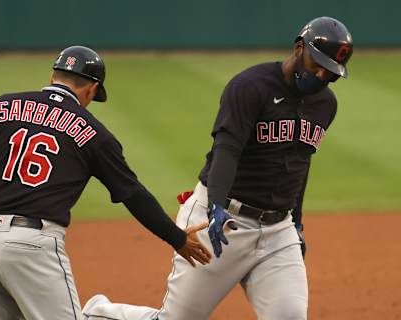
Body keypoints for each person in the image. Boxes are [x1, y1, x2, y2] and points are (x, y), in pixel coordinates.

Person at [81, 16, 353, 320]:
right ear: (299, 48)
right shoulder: (251, 87)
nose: (320, 75)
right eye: (316, 64)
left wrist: (297, 223)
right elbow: (227, 149)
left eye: (329, 73)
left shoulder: (325, 104)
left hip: (278, 232)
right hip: (223, 223)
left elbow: (300, 164)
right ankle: (99, 314)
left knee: (289, 316)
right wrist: (216, 206)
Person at [0, 45, 212, 320]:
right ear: (92, 89)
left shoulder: (2, 106)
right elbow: (132, 193)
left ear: (52, 76)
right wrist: (177, 238)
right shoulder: (94, 133)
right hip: (32, 247)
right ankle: (99, 314)